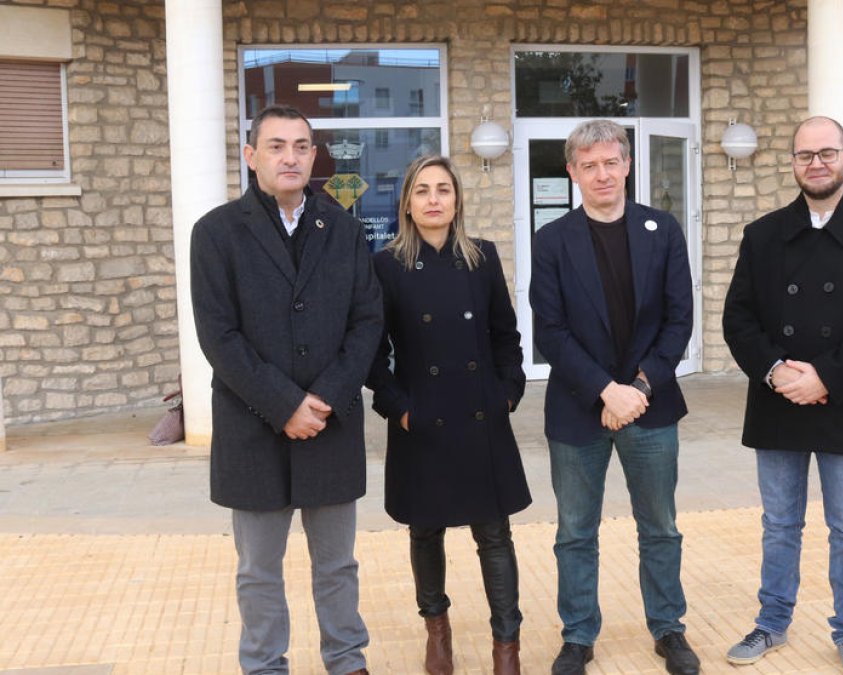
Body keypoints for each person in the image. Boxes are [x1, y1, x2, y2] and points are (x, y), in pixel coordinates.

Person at [191, 104, 383, 675]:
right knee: (257, 569)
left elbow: (367, 322)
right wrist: (285, 405)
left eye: (301, 146)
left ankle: (346, 660)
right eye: (276, 146)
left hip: (330, 423)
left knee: (337, 566)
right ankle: (264, 664)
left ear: (314, 156)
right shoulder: (217, 233)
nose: (290, 157)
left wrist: (320, 401)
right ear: (251, 157)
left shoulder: (344, 230)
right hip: (253, 428)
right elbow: (218, 336)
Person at [721, 116, 843, 675]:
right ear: (793, 164)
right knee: (779, 524)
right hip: (778, 399)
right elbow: (738, 319)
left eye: (827, 153)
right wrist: (778, 370)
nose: (816, 163)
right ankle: (772, 623)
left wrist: (824, 377)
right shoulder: (763, 235)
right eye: (805, 155)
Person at [531, 120, 699, 675]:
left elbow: (679, 321)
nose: (602, 173)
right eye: (589, 165)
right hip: (579, 408)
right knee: (575, 531)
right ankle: (578, 636)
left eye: (611, 162)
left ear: (627, 165)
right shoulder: (552, 240)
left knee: (660, 526)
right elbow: (550, 331)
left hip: (651, 408)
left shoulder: (664, 229)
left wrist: (638, 390)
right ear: (573, 173)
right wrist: (606, 390)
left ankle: (669, 629)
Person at [366, 155, 530, 675]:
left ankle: (507, 646)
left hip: (481, 412)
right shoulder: (386, 265)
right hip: (423, 419)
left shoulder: (482, 257)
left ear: (457, 199)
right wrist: (400, 409)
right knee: (425, 532)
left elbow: (506, 335)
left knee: (494, 534)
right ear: (408, 204)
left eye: (443, 189)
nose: (433, 199)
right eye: (422, 190)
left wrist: (507, 392)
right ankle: (437, 632)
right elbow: (373, 354)